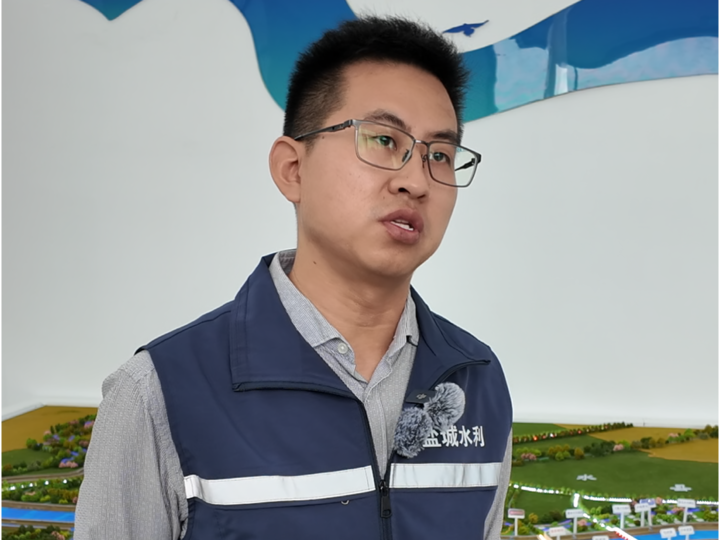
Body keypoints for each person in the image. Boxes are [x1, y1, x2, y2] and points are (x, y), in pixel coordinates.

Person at [75, 15, 513, 540]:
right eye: (383, 139)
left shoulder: (478, 381)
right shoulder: (158, 392)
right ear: (293, 169)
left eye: (439, 155)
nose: (416, 181)